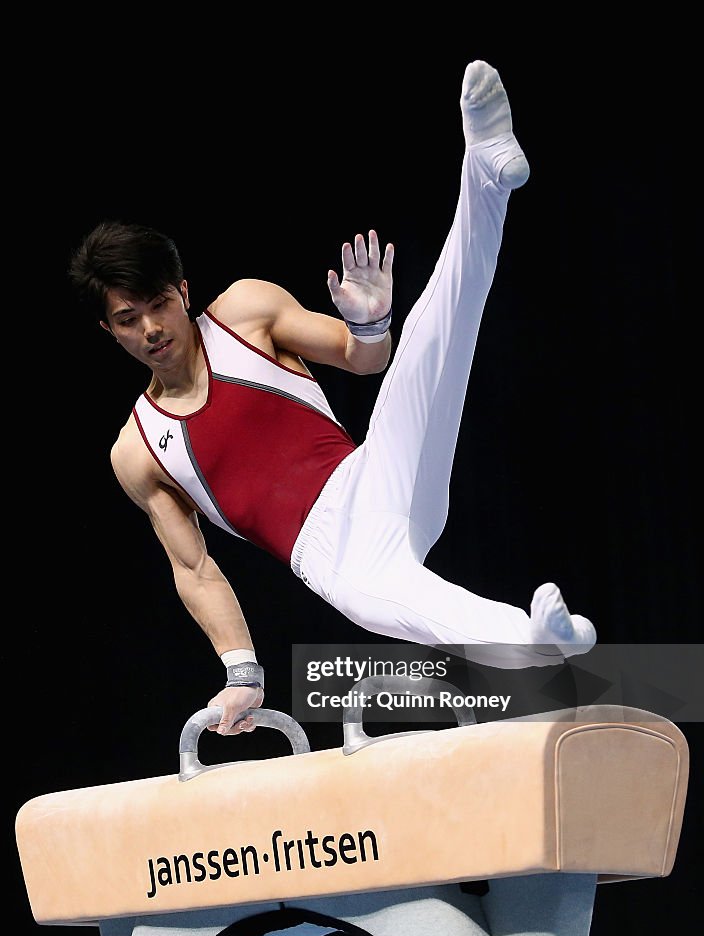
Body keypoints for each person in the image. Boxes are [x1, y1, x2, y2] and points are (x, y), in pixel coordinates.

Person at [68, 59, 596, 738]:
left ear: (184, 291)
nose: (150, 329)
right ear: (107, 329)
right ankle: (537, 639)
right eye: (127, 319)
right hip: (334, 557)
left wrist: (371, 323)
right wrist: (241, 675)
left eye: (158, 304)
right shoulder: (138, 451)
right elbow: (194, 568)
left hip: (371, 475)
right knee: (415, 604)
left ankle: (485, 172)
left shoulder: (245, 313)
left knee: (435, 343)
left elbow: (364, 360)